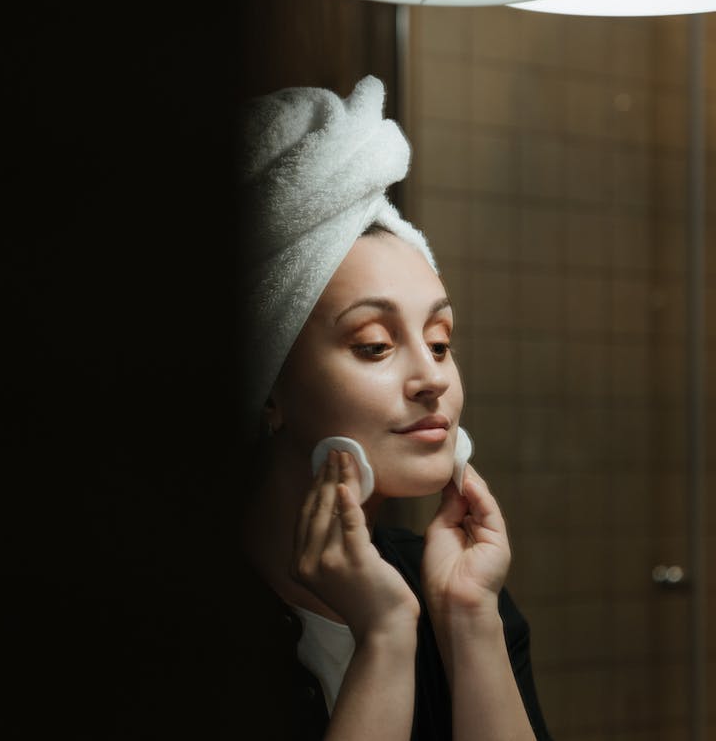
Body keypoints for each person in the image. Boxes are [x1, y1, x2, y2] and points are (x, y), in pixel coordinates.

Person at [236, 75, 552, 741]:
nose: (430, 377)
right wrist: (383, 638)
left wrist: (469, 619)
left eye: (440, 342)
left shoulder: (452, 584)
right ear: (268, 388)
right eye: (374, 344)